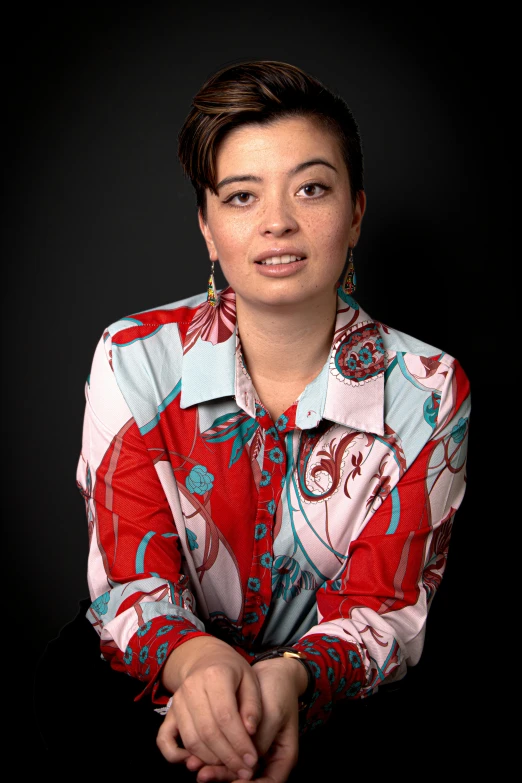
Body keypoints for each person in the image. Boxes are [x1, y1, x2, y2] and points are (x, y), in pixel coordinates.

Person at [34, 60, 470, 781]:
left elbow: (385, 607)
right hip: (158, 678)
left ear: (356, 210)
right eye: (241, 196)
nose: (277, 222)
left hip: (338, 696)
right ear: (207, 228)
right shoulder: (134, 358)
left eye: (311, 187)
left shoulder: (428, 389)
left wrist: (290, 677)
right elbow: (131, 582)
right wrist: (199, 662)